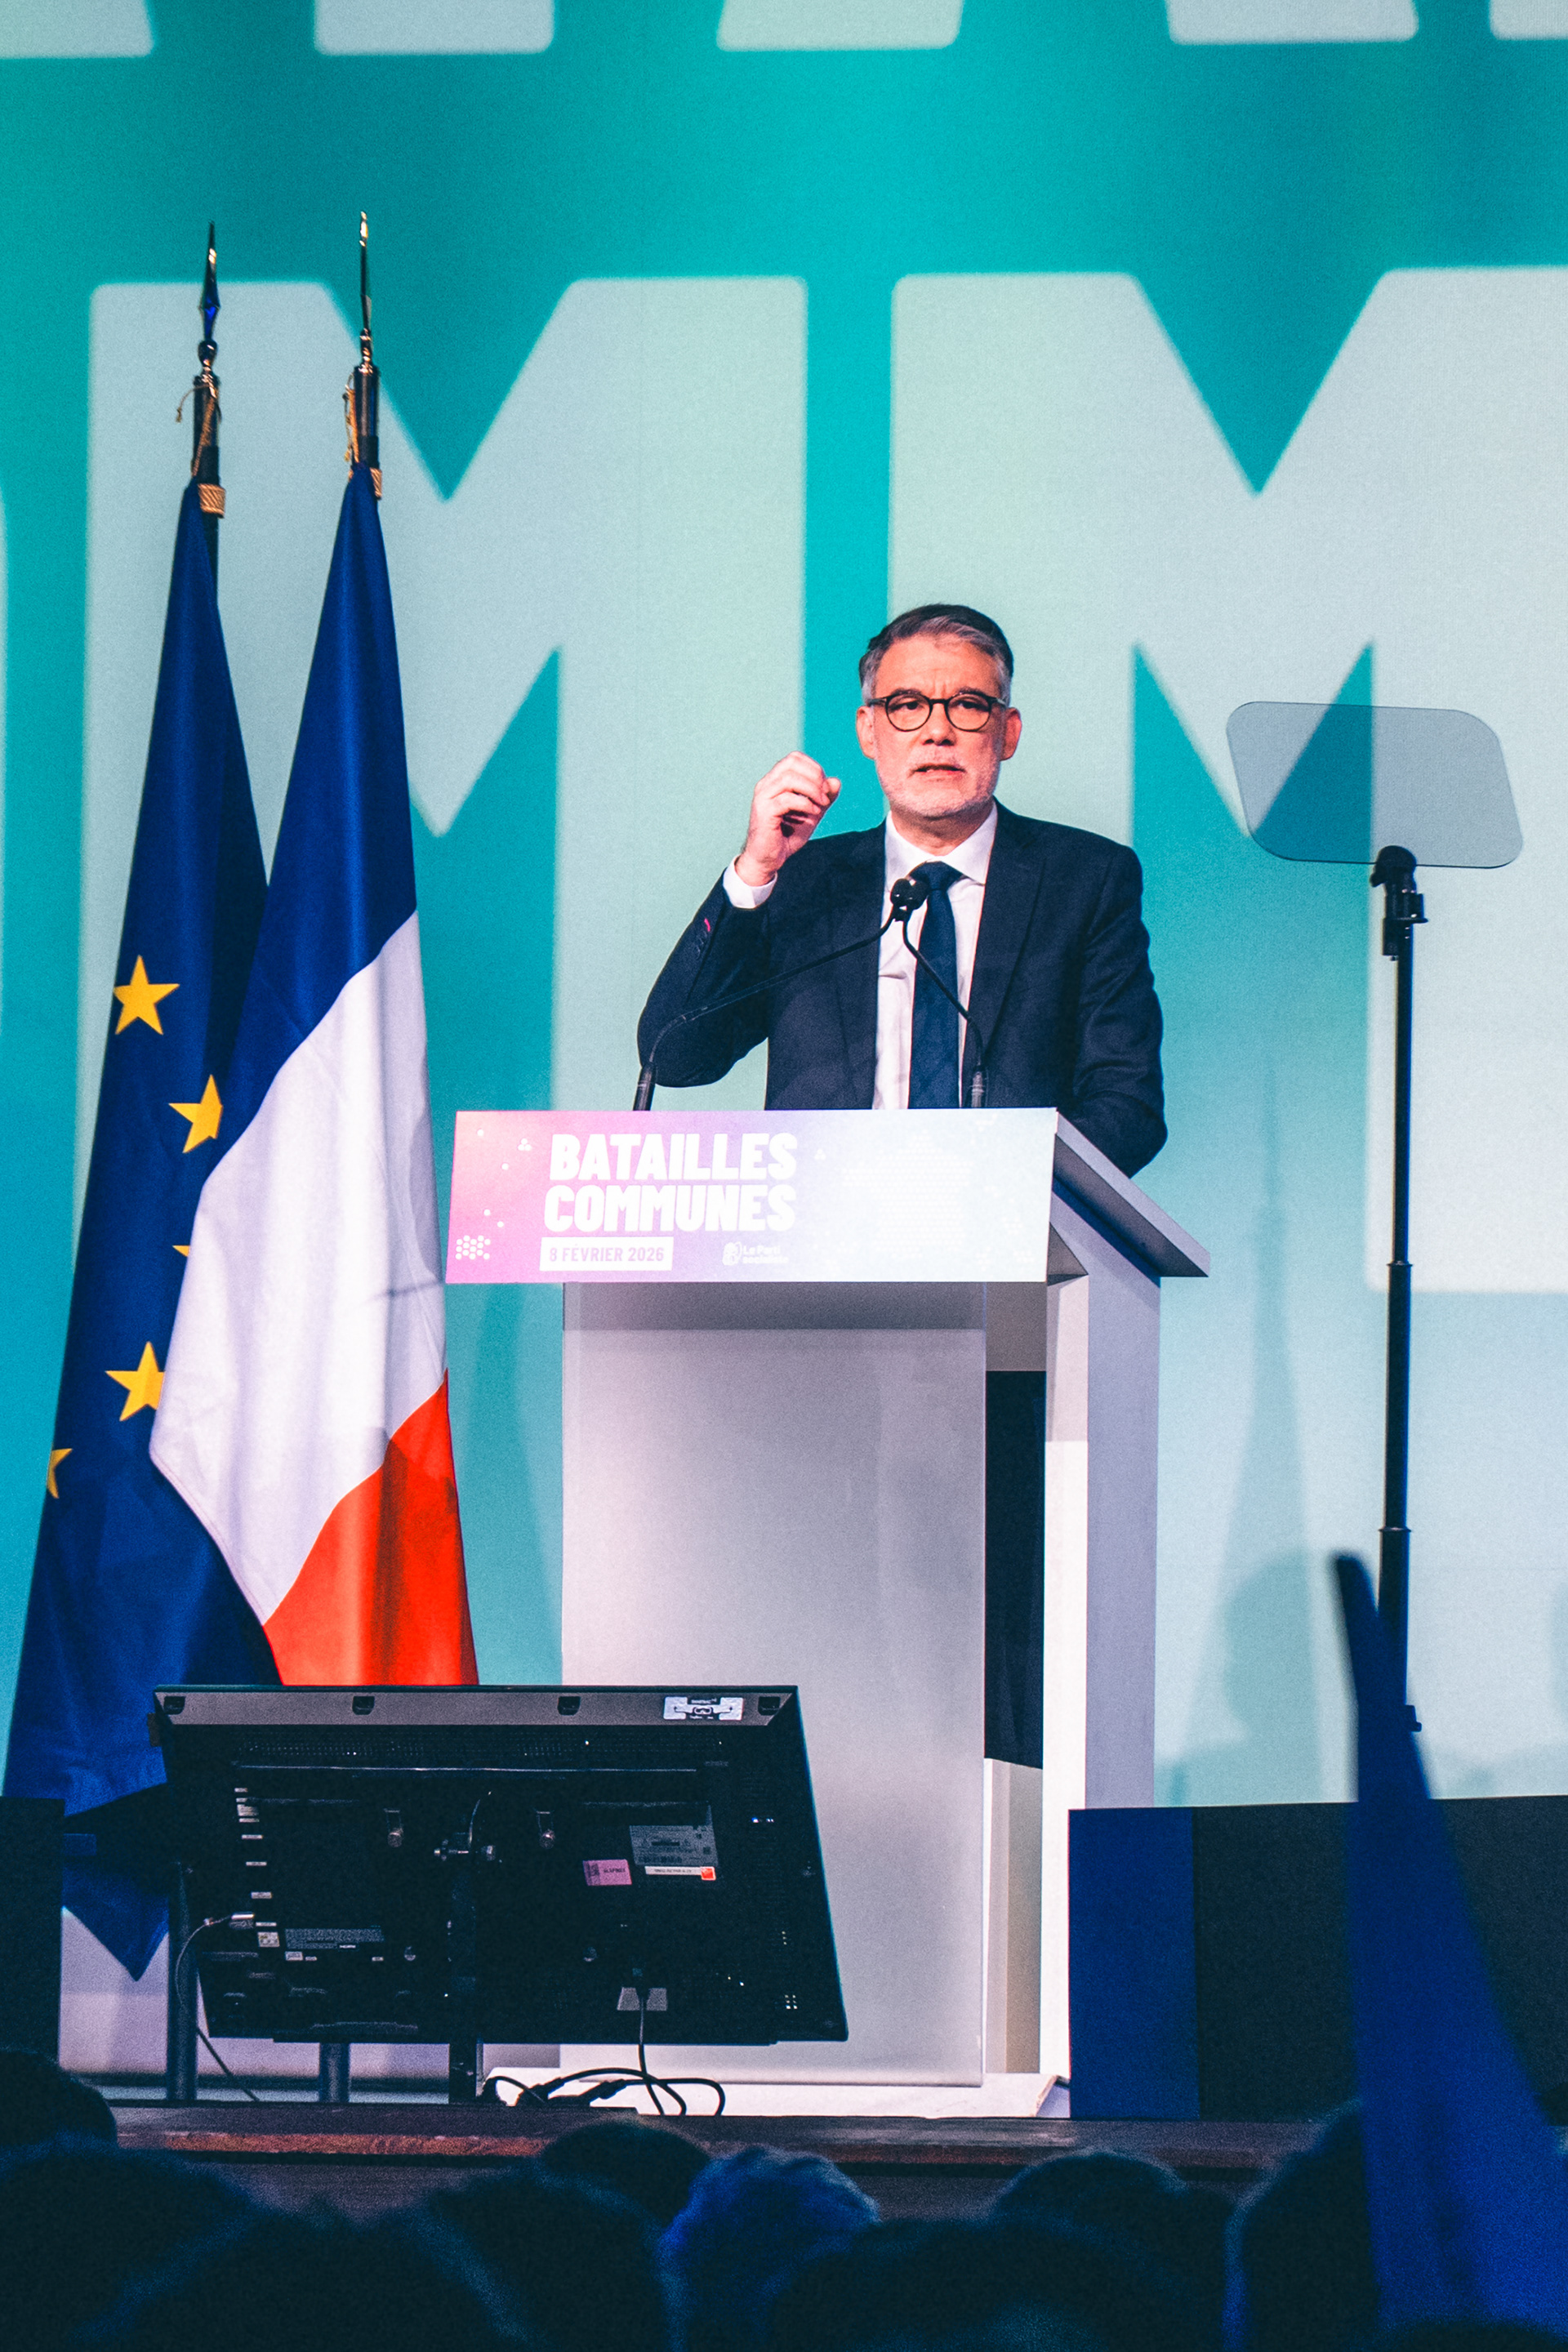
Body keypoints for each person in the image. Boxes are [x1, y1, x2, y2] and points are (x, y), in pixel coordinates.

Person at [638, 604, 1165, 1178]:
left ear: (1008, 732)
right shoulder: (805, 881)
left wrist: (1002, 1190)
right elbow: (677, 1058)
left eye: (968, 705)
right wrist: (755, 873)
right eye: (908, 706)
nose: (938, 731)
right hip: (822, 1221)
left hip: (1003, 1218)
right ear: (869, 730)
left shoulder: (1085, 880)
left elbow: (1126, 1105)